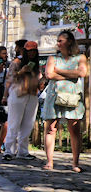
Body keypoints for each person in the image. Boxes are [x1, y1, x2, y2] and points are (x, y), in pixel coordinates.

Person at [42, 31, 87, 172]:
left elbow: (81, 73)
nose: (58, 43)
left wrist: (59, 71)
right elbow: (49, 74)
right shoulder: (52, 58)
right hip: (54, 96)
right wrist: (70, 76)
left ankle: (75, 163)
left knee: (74, 129)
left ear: (69, 41)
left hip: (73, 97)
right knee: (51, 128)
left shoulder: (80, 57)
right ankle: (49, 162)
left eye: (60, 40)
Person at [1, 41, 41, 161]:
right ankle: (8, 150)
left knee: (28, 124)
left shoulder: (36, 64)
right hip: (18, 93)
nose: (32, 53)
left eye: (34, 50)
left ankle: (23, 151)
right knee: (14, 123)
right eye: (29, 51)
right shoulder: (17, 62)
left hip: (32, 94)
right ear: (25, 51)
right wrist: (21, 72)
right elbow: (10, 78)